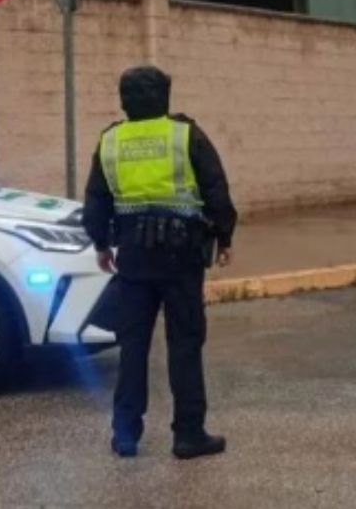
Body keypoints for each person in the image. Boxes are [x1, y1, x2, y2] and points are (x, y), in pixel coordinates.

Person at [82, 65, 238, 460]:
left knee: (132, 345)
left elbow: (96, 199)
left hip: (133, 255)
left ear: (124, 100)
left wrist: (101, 243)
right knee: (184, 343)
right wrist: (225, 236)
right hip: (182, 255)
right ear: (165, 97)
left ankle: (125, 435)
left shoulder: (110, 140)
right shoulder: (185, 134)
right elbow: (215, 187)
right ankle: (188, 435)